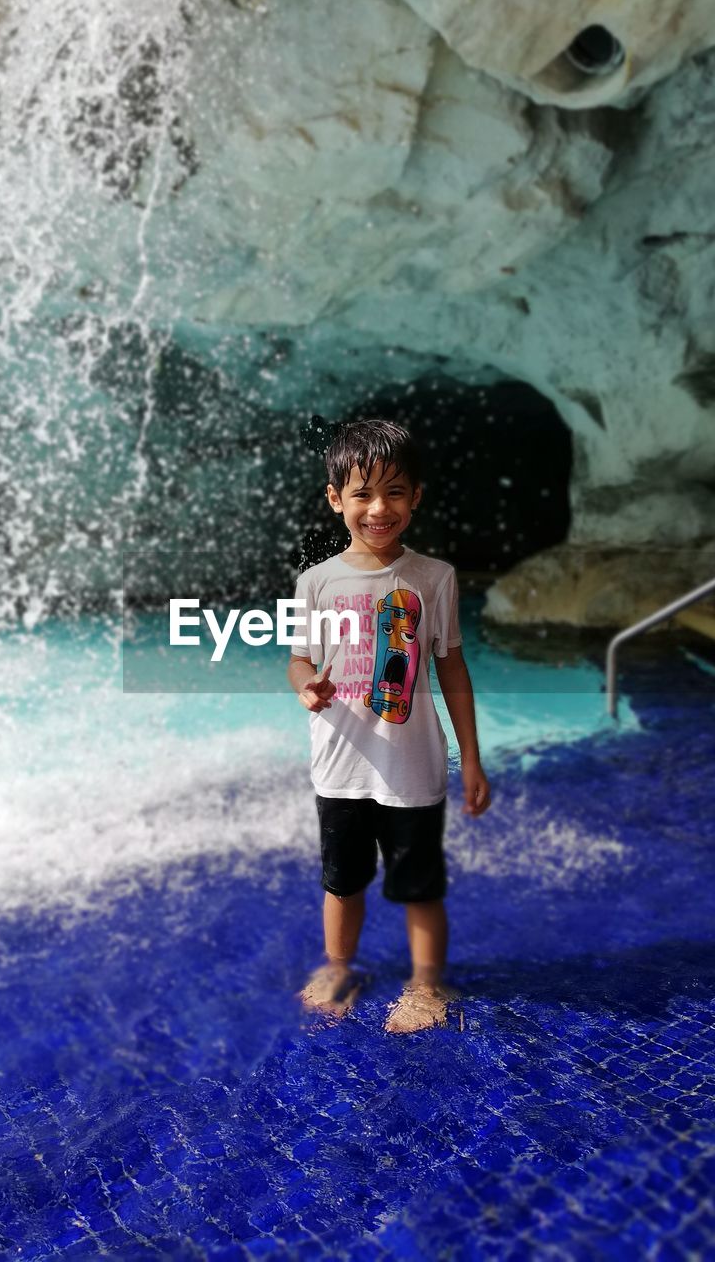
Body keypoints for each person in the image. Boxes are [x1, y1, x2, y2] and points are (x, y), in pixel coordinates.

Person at [287, 419, 491, 1033]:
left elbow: (452, 669)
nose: (379, 508)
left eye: (395, 492)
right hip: (341, 761)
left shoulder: (435, 578)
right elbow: (300, 658)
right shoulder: (316, 582)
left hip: (412, 765)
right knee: (341, 880)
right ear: (334, 499)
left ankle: (428, 986)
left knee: (418, 883)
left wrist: (472, 758)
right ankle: (338, 966)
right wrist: (307, 685)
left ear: (417, 497)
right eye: (362, 494)